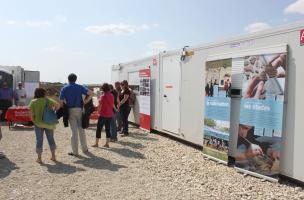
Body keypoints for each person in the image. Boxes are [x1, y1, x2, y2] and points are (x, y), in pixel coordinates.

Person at [59, 73, 94, 156]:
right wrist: (86, 101)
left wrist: (63, 108)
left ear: (68, 79)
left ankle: (75, 152)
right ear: (76, 79)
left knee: (73, 131)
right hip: (79, 109)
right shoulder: (80, 87)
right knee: (81, 129)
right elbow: (91, 93)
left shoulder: (64, 88)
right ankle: (84, 149)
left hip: (70, 110)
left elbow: (61, 101)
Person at [29, 88, 60, 164]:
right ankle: (53, 156)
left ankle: (39, 158)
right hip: (48, 123)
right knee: (51, 139)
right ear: (43, 93)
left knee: (39, 140)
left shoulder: (33, 102)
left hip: (38, 123)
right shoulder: (47, 100)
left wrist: (34, 121)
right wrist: (53, 110)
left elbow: (31, 114)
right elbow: (58, 105)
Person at [93, 83, 114, 148]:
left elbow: (100, 106)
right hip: (110, 114)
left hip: (103, 115)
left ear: (103, 89)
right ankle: (107, 144)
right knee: (108, 129)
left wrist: (97, 112)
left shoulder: (103, 96)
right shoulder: (112, 95)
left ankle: (96, 144)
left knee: (99, 129)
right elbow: (112, 104)